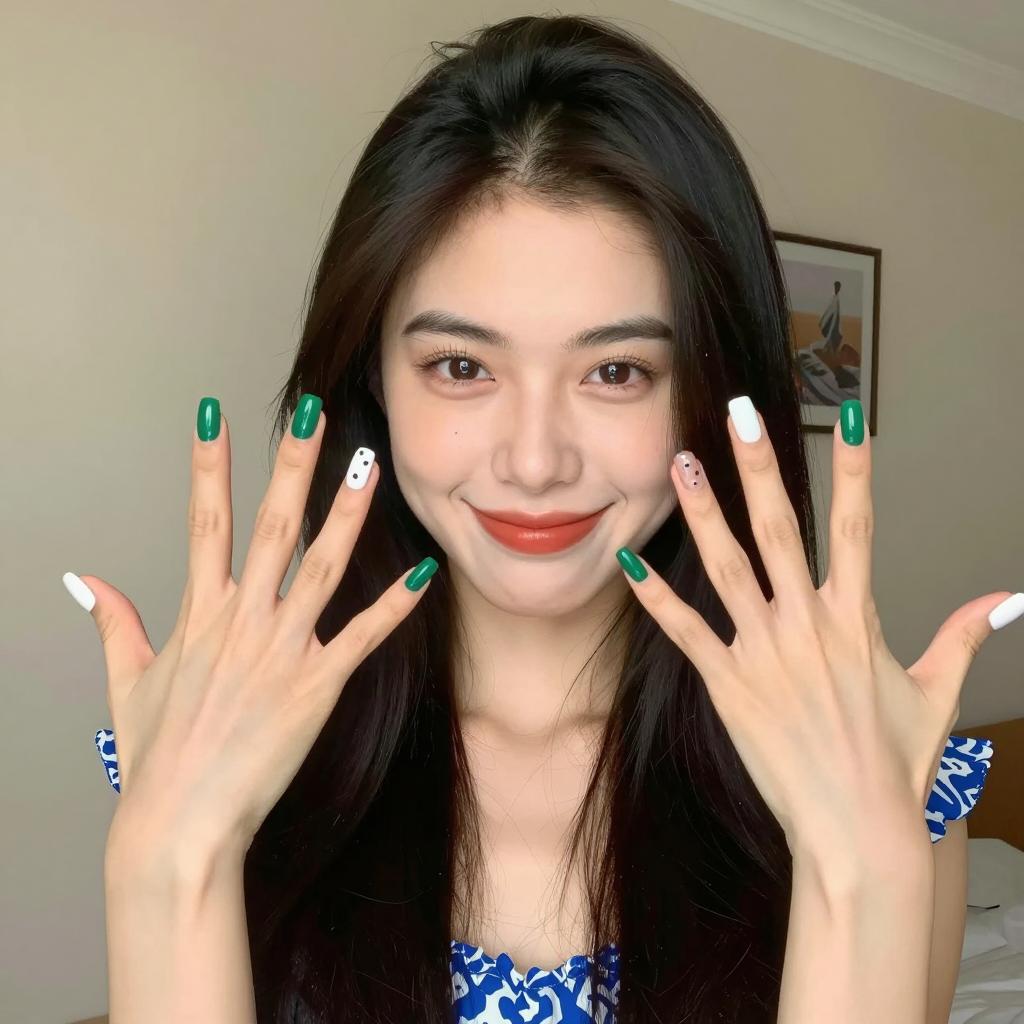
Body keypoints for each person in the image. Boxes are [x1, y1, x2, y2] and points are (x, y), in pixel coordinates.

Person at [66, 13, 1014, 1024]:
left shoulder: (889, 766)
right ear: (374, 381)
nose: (533, 460)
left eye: (618, 371)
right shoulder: (208, 748)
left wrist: (859, 864)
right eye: (460, 365)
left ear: (709, 392)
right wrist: (171, 860)